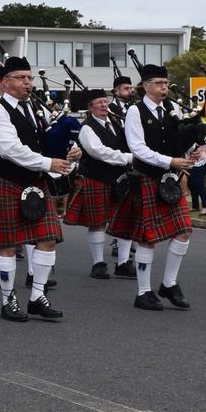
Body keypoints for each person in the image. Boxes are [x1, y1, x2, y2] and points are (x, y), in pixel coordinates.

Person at [0, 56, 76, 321]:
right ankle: (8, 300)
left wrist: (70, 151)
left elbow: (47, 140)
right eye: (21, 78)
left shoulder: (36, 109)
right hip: (7, 181)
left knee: (48, 238)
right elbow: (9, 149)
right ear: (2, 83)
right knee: (8, 245)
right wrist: (48, 162)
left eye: (29, 78)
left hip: (36, 182)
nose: (28, 83)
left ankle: (37, 296)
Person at [107, 63, 201, 311]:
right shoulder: (135, 112)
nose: (163, 88)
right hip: (147, 178)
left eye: (165, 83)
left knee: (184, 231)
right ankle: (143, 291)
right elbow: (137, 148)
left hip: (170, 179)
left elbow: (178, 140)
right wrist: (169, 161)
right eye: (158, 83)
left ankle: (169, 283)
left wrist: (195, 152)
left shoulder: (171, 109)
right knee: (148, 239)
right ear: (145, 86)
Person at [63, 89, 132, 280]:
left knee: (124, 220)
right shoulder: (87, 127)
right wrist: (129, 158)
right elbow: (98, 151)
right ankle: (98, 264)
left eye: (105, 101)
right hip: (96, 178)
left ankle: (123, 263)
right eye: (99, 102)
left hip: (120, 179)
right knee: (98, 223)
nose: (104, 105)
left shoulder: (117, 123)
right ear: (90, 107)